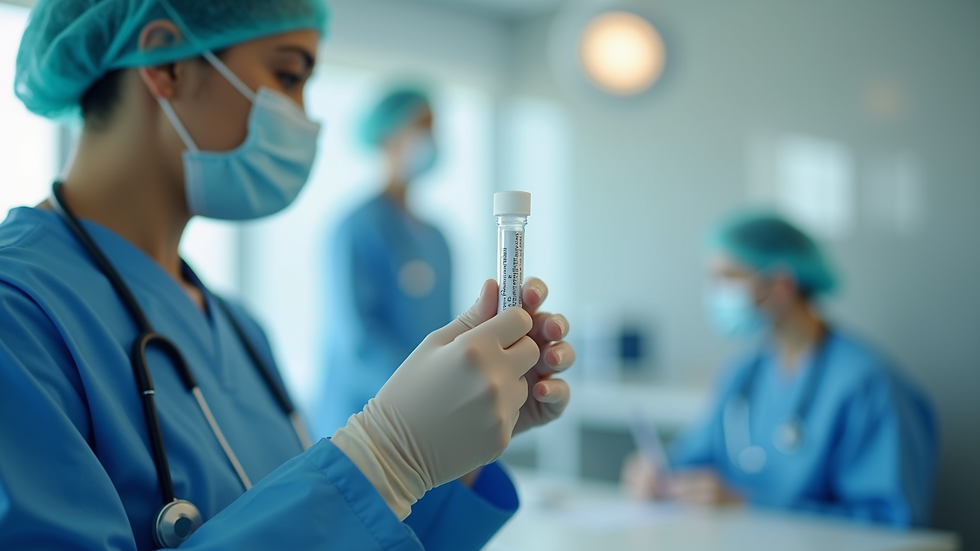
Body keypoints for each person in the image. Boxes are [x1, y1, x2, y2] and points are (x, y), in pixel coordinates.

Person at [0, 1, 575, 549]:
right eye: (288, 75)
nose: (304, 118)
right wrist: (389, 456)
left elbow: (331, 529)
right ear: (167, 64)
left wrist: (451, 451)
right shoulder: (18, 314)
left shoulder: (240, 329)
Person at [621, 213, 937, 528]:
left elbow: (889, 524)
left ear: (781, 285)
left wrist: (747, 505)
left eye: (729, 277)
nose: (716, 293)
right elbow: (693, 462)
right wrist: (656, 478)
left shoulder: (867, 384)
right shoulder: (743, 374)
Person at [315, 88, 452, 436]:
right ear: (388, 136)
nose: (430, 140)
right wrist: (420, 393)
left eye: (433, 128)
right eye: (420, 127)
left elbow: (450, 329)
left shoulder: (436, 238)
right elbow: (357, 341)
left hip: (427, 414)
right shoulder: (357, 229)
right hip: (363, 418)